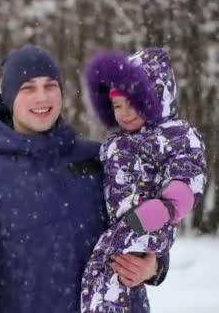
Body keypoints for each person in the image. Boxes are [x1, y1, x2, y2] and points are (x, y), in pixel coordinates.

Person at [0, 45, 168, 313]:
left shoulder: (99, 158)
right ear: (9, 97)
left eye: (50, 85)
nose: (42, 97)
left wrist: (155, 265)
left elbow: (148, 225)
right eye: (28, 88)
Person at [80, 48, 207, 313]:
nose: (125, 114)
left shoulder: (177, 135)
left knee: (106, 265)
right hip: (123, 225)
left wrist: (167, 206)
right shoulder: (114, 142)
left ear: (155, 98)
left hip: (151, 222)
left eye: (133, 103)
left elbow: (189, 174)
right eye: (117, 105)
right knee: (110, 276)